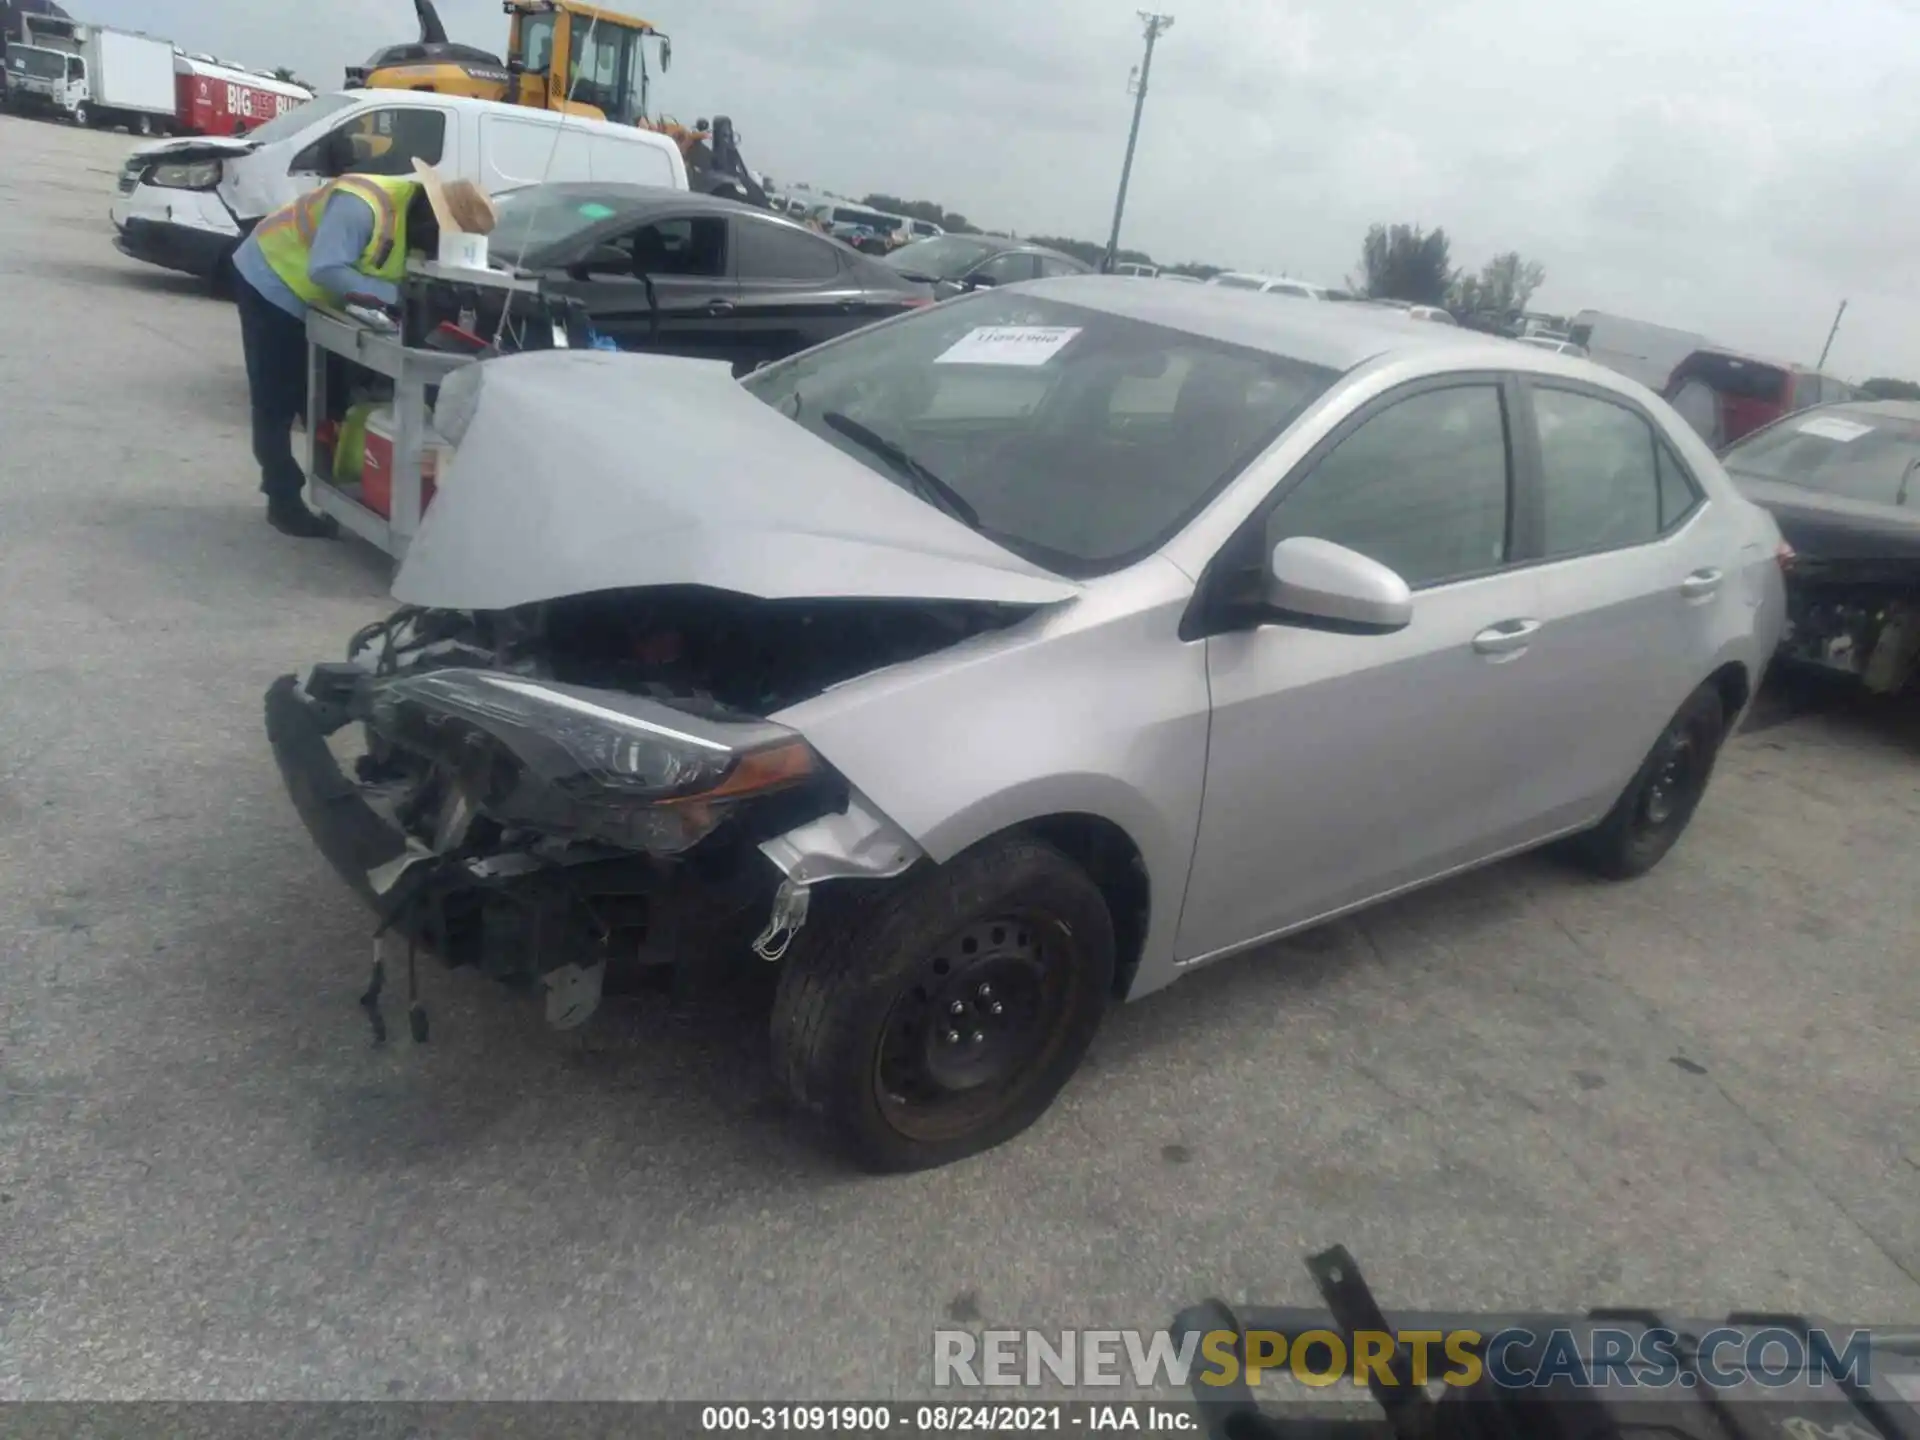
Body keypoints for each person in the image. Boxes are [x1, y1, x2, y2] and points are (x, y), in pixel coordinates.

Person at [229, 159, 496, 536]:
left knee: (334, 398)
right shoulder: (361, 204)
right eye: (442, 238)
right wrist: (398, 297)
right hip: (272, 280)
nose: (437, 249)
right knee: (277, 397)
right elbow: (326, 269)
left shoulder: (415, 228)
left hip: (323, 303)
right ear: (430, 218)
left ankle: (340, 492)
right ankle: (282, 497)